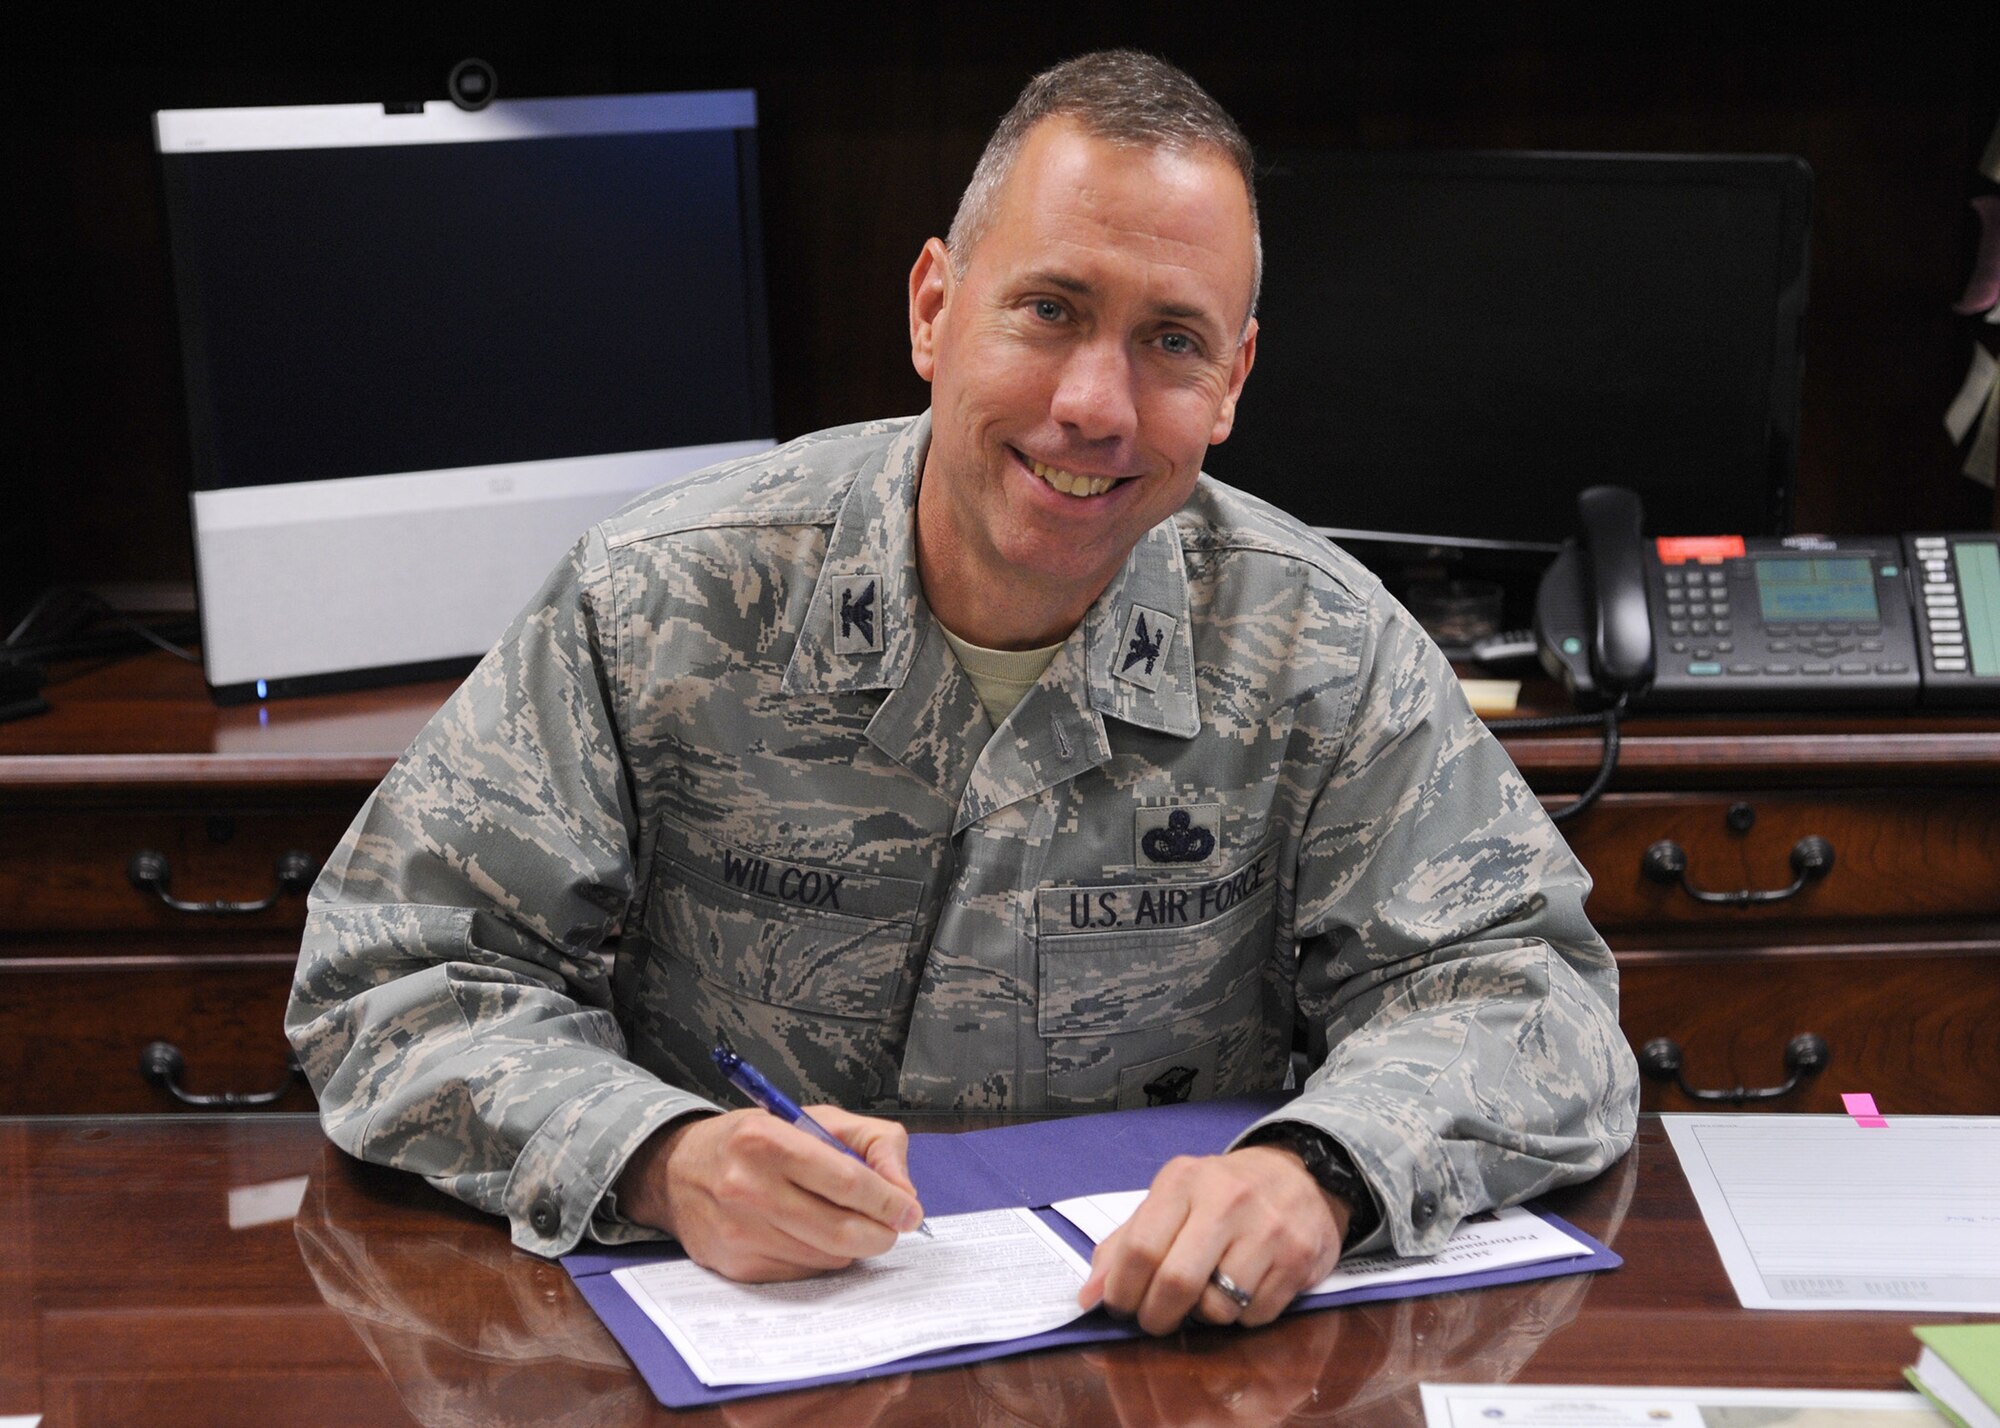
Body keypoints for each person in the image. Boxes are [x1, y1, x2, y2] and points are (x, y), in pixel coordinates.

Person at [287, 49, 1638, 1338]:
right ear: (934, 308)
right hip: (745, 1346)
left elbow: (1530, 997)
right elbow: (392, 973)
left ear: (1231, 381)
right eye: (1048, 311)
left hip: (1155, 1356)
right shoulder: (657, 601)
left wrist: (1322, 1170)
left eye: (1172, 341)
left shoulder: (1322, 648)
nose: (1095, 405)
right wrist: (655, 1156)